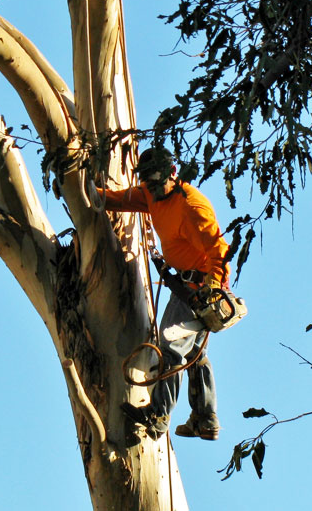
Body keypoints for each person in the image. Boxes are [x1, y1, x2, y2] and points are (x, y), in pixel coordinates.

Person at [102, 146, 231, 441]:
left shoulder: (192, 207)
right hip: (184, 286)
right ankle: (205, 418)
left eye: (158, 182)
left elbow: (220, 251)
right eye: (148, 182)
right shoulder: (150, 192)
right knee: (195, 355)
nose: (153, 189)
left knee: (172, 349)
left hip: (200, 288)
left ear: (173, 173)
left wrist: (212, 289)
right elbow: (125, 199)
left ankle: (158, 416)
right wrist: (90, 192)